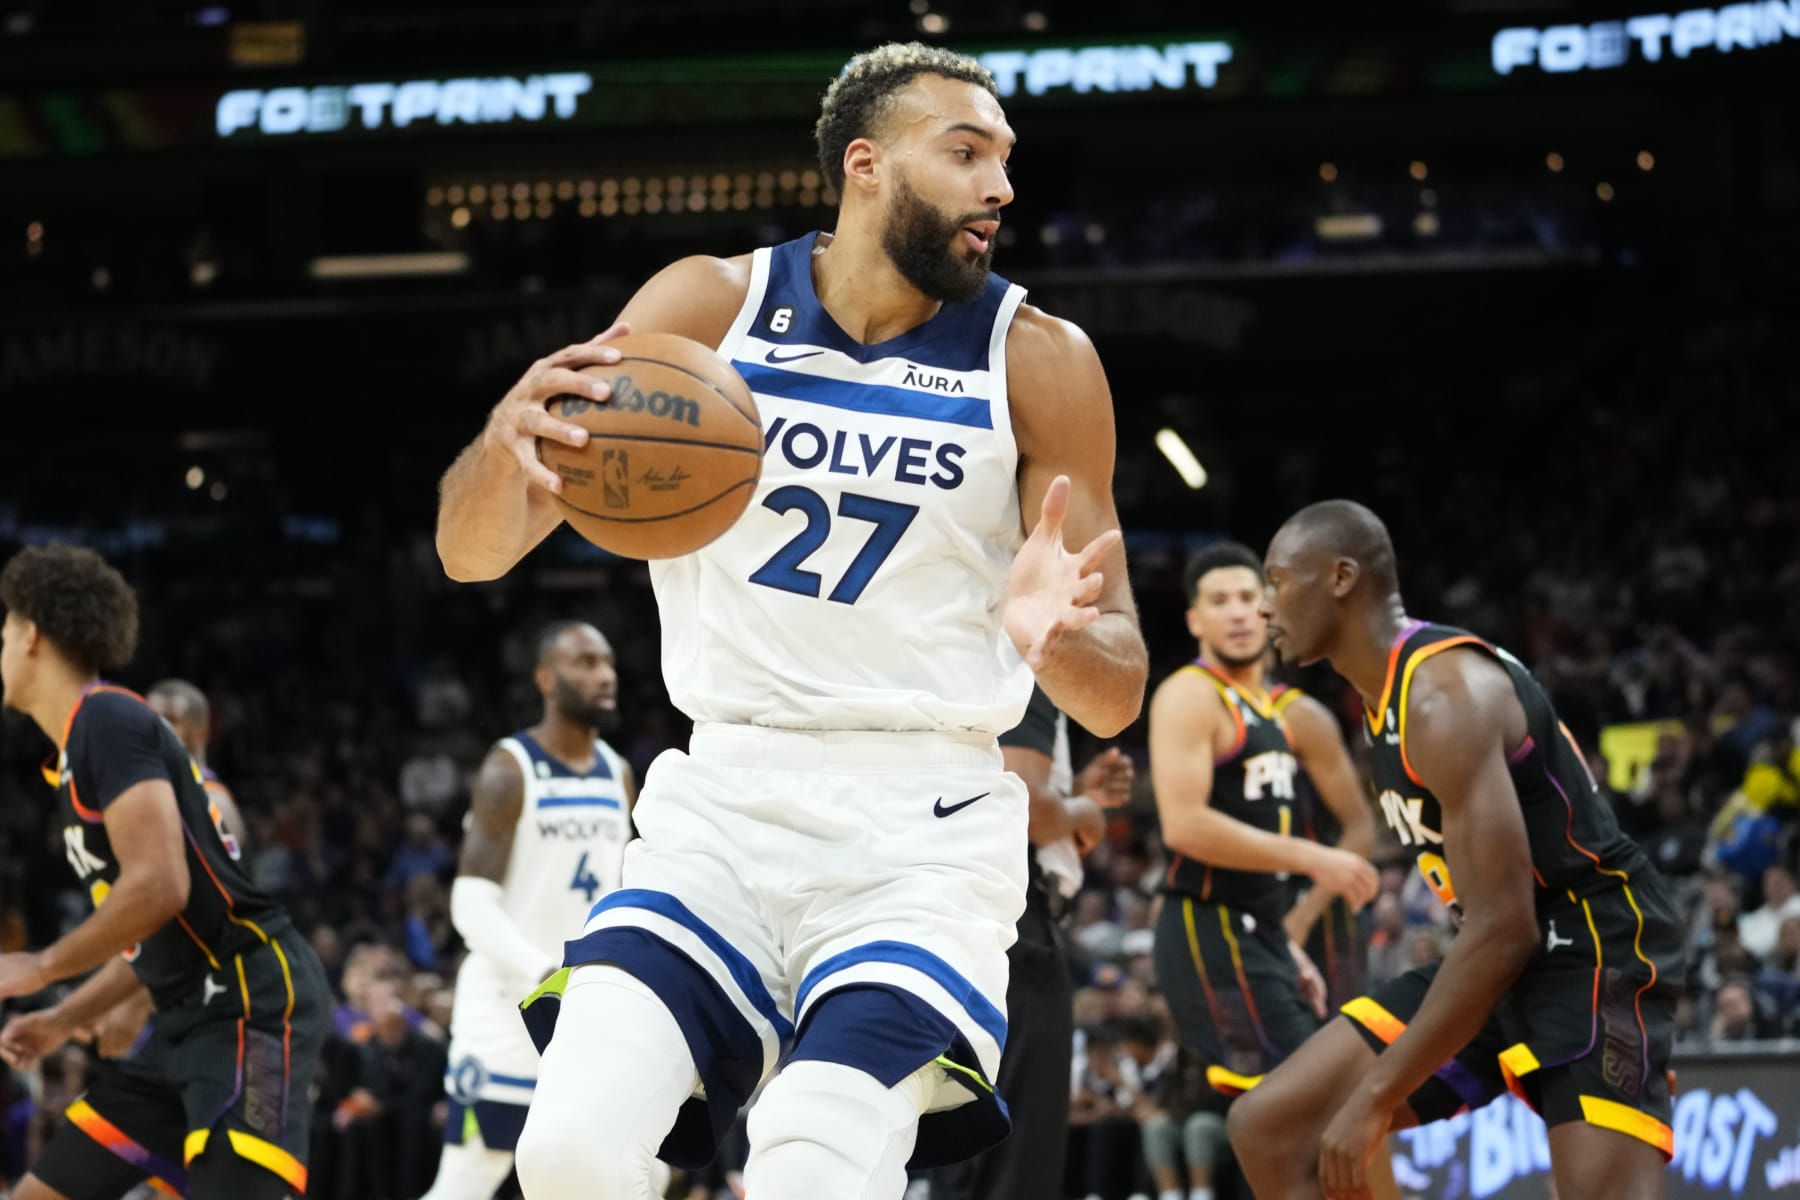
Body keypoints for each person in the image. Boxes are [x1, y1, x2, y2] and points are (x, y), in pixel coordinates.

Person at [435, 41, 1147, 1200]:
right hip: (724, 799)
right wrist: (503, 442)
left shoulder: (1041, 362)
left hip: (923, 825)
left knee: (812, 1160)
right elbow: (471, 553)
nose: (1001, 187)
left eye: (1005, 160)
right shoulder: (708, 306)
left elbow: (1115, 693)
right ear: (866, 166)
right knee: (567, 1153)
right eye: (966, 154)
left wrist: (1053, 638)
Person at [1233, 500, 1681, 1200]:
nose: (1264, 605)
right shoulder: (1383, 700)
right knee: (1271, 1128)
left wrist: (1376, 1095)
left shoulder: (1441, 696)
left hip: (1592, 943)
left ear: (1342, 578)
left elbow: (1507, 926)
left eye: (1277, 581)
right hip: (1498, 947)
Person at [0, 543, 332, 1199]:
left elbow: (161, 886)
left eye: (4, 631)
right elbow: (153, 927)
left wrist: (41, 967)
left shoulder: (106, 717)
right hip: (184, 1021)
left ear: (31, 633)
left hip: (252, 1005)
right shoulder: (73, 757)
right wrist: (67, 1018)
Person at [1148, 540, 1383, 1200]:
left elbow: (1360, 826)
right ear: (1195, 620)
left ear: (1271, 608)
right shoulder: (1190, 695)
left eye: (1249, 598)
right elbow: (1184, 825)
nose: (1238, 612)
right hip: (1209, 925)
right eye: (1219, 601)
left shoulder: (1287, 712)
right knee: (1309, 1108)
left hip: (1264, 928)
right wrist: (1312, 858)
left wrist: (1293, 928)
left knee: (1322, 1110)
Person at [420, 620, 641, 1200]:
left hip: (583, 1011)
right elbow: (470, 904)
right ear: (545, 678)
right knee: (467, 1183)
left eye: (607, 662)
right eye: (585, 663)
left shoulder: (617, 773)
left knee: (611, 1176)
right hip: (507, 1010)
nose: (604, 675)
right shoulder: (510, 769)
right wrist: (543, 972)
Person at [926, 684, 1134, 1200]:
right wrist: (1082, 811)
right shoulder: (1016, 668)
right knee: (1017, 1160)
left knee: (968, 1151)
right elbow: (1026, 809)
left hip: (953, 917)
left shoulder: (946, 664)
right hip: (1014, 926)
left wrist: (1073, 793)